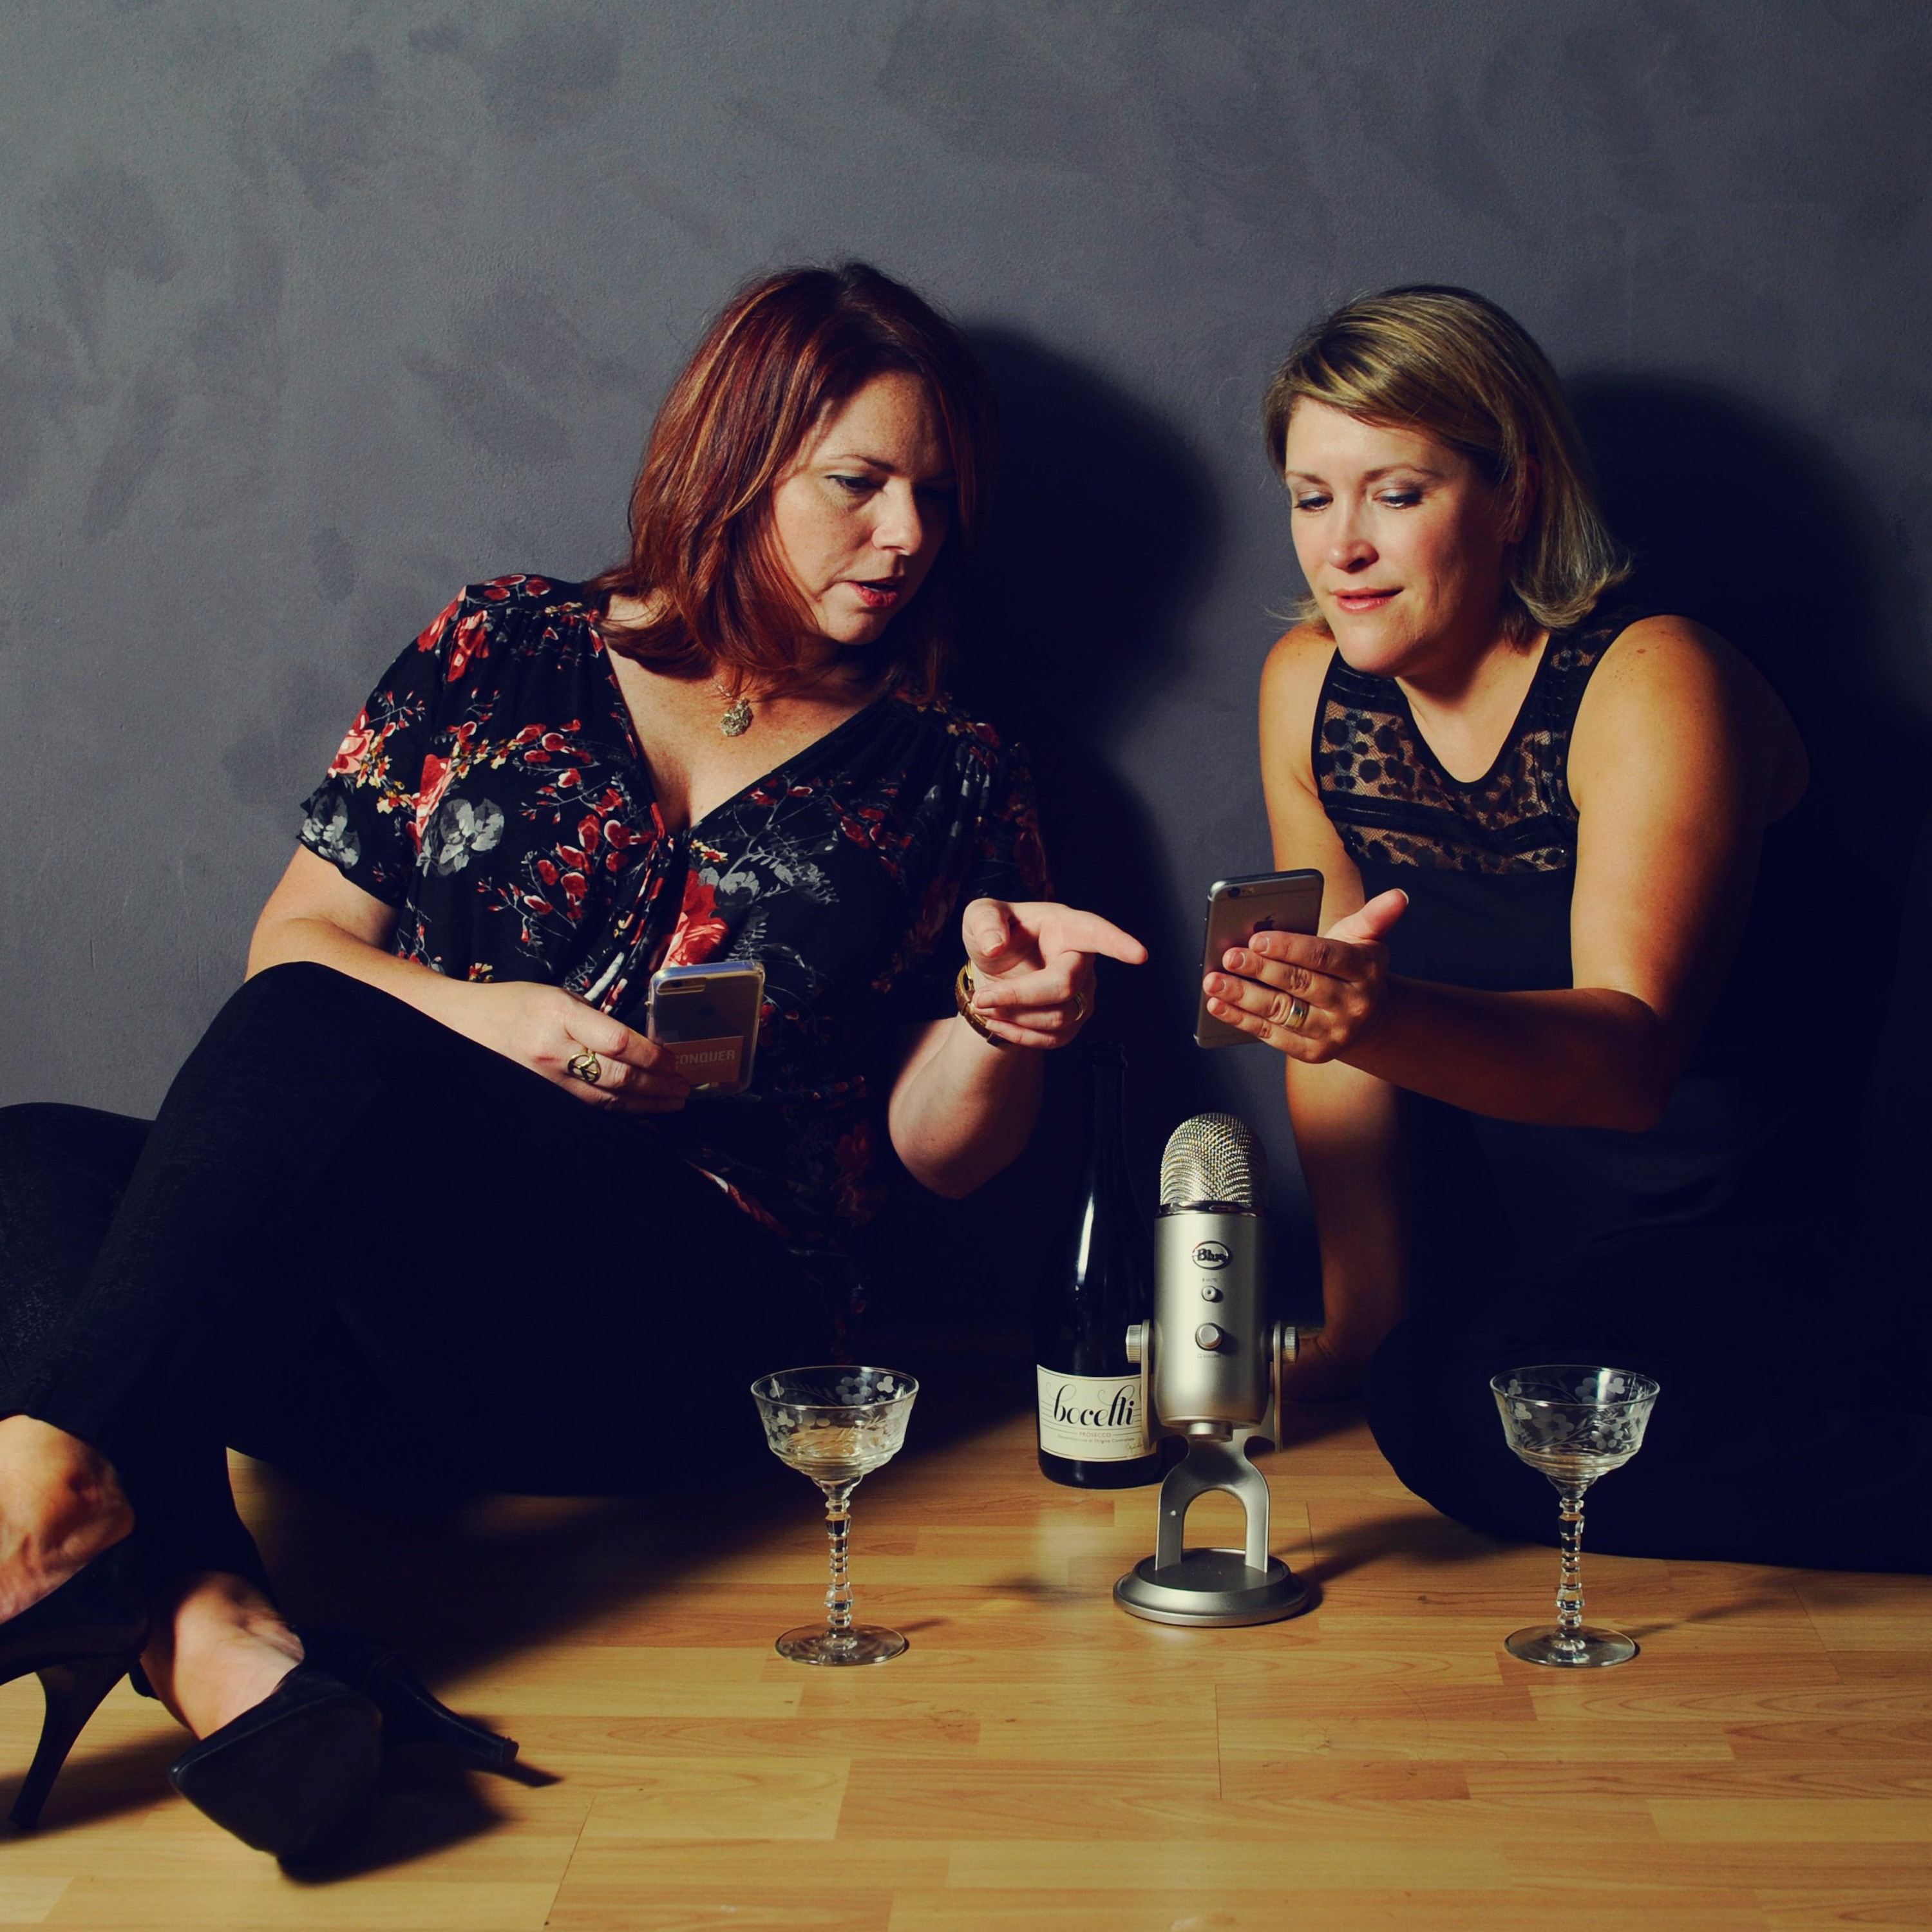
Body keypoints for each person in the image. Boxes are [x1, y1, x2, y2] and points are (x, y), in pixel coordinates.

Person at [0, 261, 1144, 1857]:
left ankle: (49, 1513)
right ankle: (218, 1640)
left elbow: (942, 1160)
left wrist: (996, 1026)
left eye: (937, 498)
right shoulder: (500, 644)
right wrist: (500, 1019)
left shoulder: (952, 769)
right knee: (34, 1156)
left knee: (309, 1040)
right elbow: (295, 945)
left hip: (688, 1351)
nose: (906, 535)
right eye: (859, 483)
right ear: (737, 461)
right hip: (396, 1365)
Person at [1208, 284, 1932, 1574]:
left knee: (1447, 1407)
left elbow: (1627, 1065)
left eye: (1397, 493)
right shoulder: (1308, 689)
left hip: (1772, 1231)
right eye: (1312, 498)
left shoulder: (1655, 677)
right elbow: (1328, 1034)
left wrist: (1377, 1015)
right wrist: (1359, 1323)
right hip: (1565, 1257)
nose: (1342, 547)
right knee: (1431, 1382)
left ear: (1517, 495)